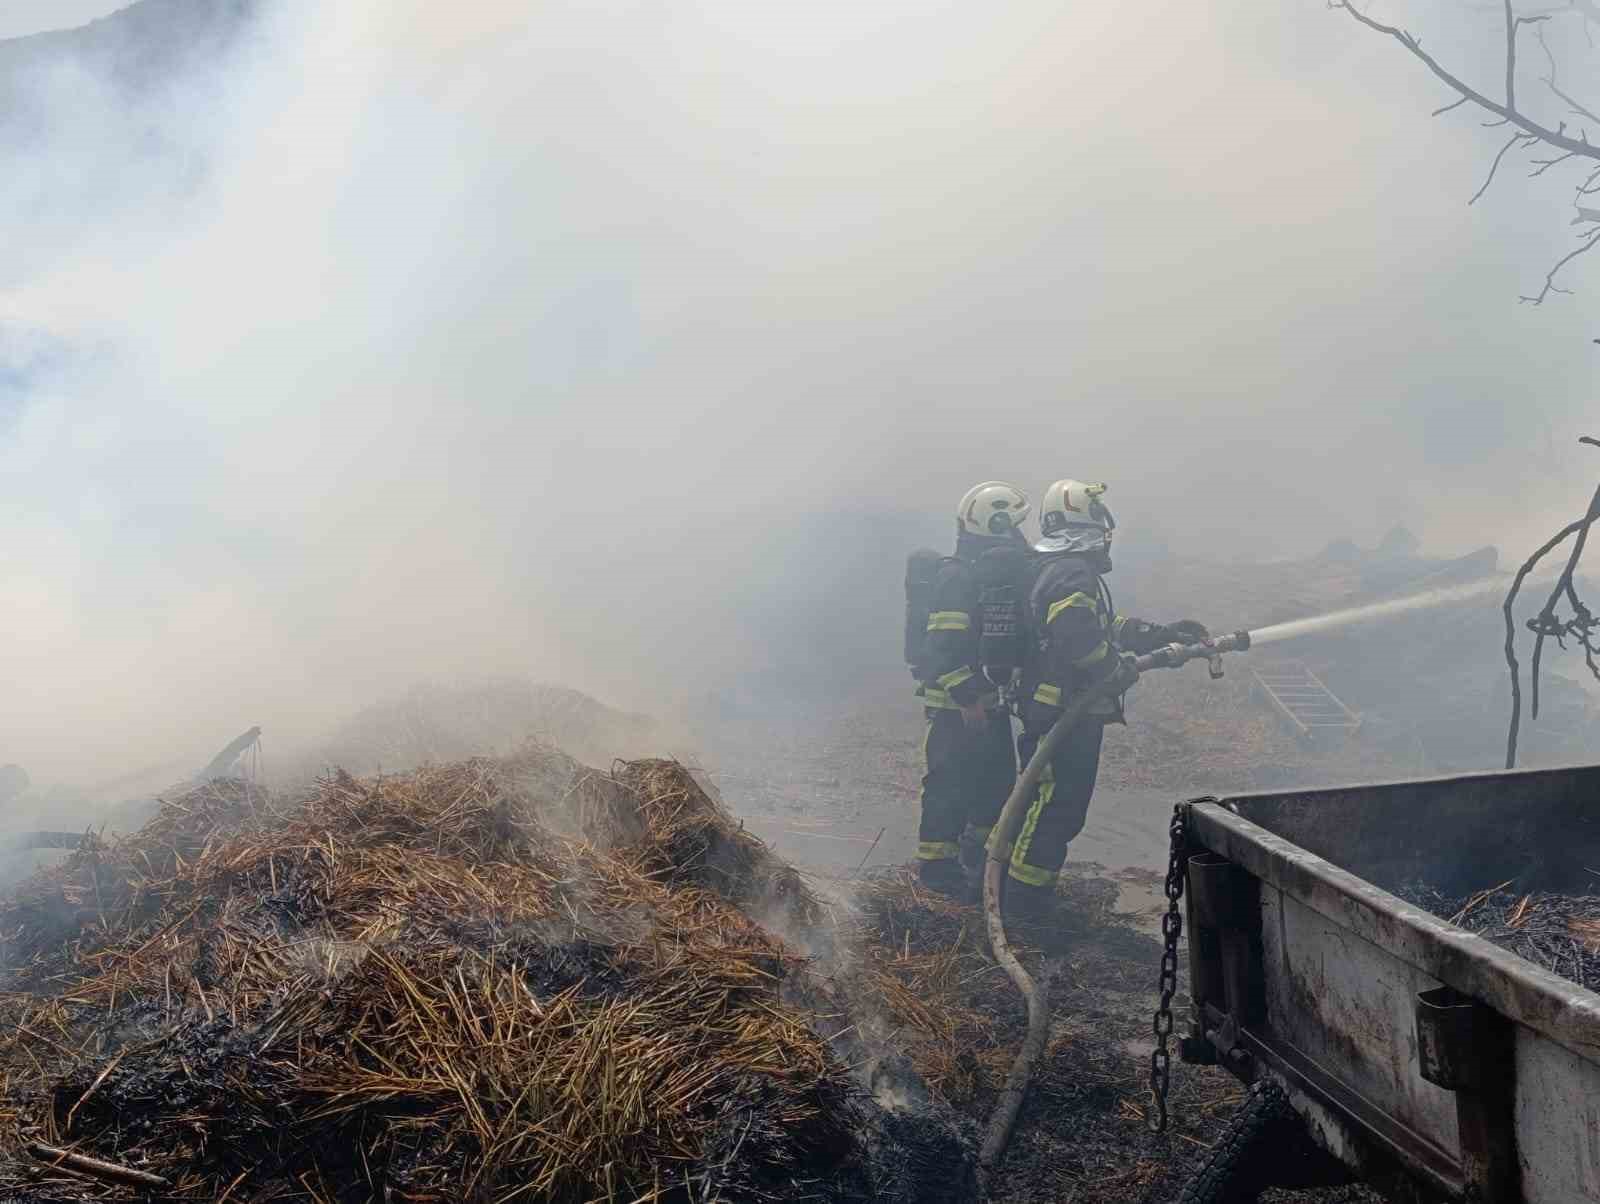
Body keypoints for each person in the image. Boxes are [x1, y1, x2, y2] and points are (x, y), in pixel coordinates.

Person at [1000, 479, 1209, 920]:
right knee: (1057, 809)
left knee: (1044, 803)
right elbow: (1076, 634)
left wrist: (1158, 634)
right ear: (1083, 518)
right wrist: (1112, 669)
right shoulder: (1073, 570)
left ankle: (1018, 891)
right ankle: (1023, 905)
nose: (1106, 528)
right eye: (1099, 516)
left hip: (1055, 708)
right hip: (1063, 711)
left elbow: (1098, 623)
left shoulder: (1057, 567)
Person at [912, 481, 1032, 897]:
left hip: (988, 702)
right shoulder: (957, 578)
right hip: (955, 707)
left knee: (996, 781)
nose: (1019, 536)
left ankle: (975, 853)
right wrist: (965, 697)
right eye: (1012, 526)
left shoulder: (986, 576)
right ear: (994, 525)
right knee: (950, 784)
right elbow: (940, 648)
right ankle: (937, 870)